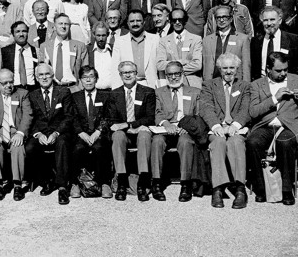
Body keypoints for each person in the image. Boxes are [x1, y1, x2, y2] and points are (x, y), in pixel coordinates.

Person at [246, 52, 298, 205]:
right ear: (268, 69)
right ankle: (261, 187)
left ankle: (286, 189)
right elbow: (253, 112)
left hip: (289, 126)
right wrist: (274, 98)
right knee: (253, 142)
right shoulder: (256, 85)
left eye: (285, 69)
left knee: (285, 142)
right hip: (265, 125)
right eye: (278, 71)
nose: (283, 73)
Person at [199, 53, 251, 209]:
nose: (228, 71)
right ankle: (218, 189)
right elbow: (206, 108)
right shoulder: (209, 85)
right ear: (219, 69)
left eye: (232, 68)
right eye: (225, 68)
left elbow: (246, 109)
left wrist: (235, 125)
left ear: (237, 69)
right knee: (218, 143)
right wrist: (216, 126)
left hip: (236, 128)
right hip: (218, 128)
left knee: (236, 143)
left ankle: (240, 188)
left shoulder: (244, 86)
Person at [150, 61, 201, 202]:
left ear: (182, 74)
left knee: (185, 143)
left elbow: (198, 115)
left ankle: (186, 184)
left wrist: (188, 126)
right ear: (166, 76)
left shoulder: (195, 92)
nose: (173, 77)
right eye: (169, 74)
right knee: (157, 141)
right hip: (165, 128)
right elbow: (157, 113)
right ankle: (157, 183)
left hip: (185, 129)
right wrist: (166, 124)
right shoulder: (158, 93)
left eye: (176, 74)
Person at [106, 61, 155, 201]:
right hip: (124, 133)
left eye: (131, 72)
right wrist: (128, 127)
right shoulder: (114, 94)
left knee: (145, 135)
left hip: (140, 130)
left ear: (136, 73)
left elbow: (150, 117)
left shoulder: (147, 92)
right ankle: (121, 180)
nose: (128, 75)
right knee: (117, 136)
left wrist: (130, 125)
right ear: (120, 75)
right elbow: (112, 119)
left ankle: (142, 182)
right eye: (124, 72)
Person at [26, 63, 73, 205]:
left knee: (63, 144)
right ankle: (45, 181)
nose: (44, 77)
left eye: (47, 74)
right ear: (36, 77)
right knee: (30, 148)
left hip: (60, 131)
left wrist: (56, 133)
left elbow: (69, 116)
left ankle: (62, 186)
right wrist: (38, 134)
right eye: (41, 75)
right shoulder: (32, 95)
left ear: (52, 76)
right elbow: (30, 118)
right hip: (40, 132)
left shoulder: (63, 92)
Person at [0, 69, 32, 201]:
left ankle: (17, 185)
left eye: (11, 82)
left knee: (18, 146)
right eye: (4, 83)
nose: (9, 86)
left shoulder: (22, 94)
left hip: (16, 131)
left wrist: (21, 133)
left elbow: (28, 115)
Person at [70, 66, 113, 198]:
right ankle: (75, 183)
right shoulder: (74, 97)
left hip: (99, 134)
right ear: (80, 80)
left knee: (100, 148)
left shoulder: (105, 95)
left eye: (91, 77)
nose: (88, 80)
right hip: (82, 134)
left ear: (96, 79)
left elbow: (108, 116)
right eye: (85, 77)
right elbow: (73, 117)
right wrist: (81, 133)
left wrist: (98, 131)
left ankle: (104, 183)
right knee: (77, 148)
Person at [251, 6, 298, 80]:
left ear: (279, 21)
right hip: (262, 84)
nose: (269, 23)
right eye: (265, 20)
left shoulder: (292, 40)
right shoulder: (256, 41)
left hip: (284, 83)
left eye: (272, 20)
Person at [38, 13, 88, 90]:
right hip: (53, 89)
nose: (63, 26)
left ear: (70, 27)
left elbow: (85, 70)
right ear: (54, 27)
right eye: (60, 24)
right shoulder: (44, 46)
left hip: (73, 88)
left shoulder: (80, 46)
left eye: (66, 24)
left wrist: (80, 88)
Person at [112, 10, 160, 89]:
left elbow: (159, 67)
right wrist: (117, 91)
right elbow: (115, 68)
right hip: (128, 86)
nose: (135, 24)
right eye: (132, 21)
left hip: (151, 85)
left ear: (144, 22)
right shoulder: (119, 42)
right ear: (127, 23)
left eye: (138, 21)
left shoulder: (155, 39)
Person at [201, 5, 251, 82]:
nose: (221, 20)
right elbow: (205, 65)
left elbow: (246, 66)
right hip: (212, 83)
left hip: (235, 82)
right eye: (218, 17)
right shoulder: (206, 40)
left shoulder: (242, 39)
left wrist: (246, 85)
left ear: (231, 19)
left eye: (224, 17)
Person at [156, 8, 203, 88]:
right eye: (174, 20)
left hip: (191, 83)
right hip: (171, 82)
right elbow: (160, 64)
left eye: (180, 20)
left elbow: (197, 65)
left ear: (185, 20)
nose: (177, 23)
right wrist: (181, 62)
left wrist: (173, 69)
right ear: (170, 21)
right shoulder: (163, 41)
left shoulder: (196, 39)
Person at [0, 21, 38, 90]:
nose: (21, 34)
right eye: (17, 31)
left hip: (33, 89)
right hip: (14, 89)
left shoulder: (36, 51)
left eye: (24, 31)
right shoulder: (5, 51)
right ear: (13, 34)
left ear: (28, 33)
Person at [87, 22, 119, 91]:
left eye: (103, 35)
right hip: (95, 92)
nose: (101, 39)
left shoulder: (114, 49)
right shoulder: (88, 50)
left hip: (112, 91)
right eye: (98, 35)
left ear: (107, 35)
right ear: (93, 35)